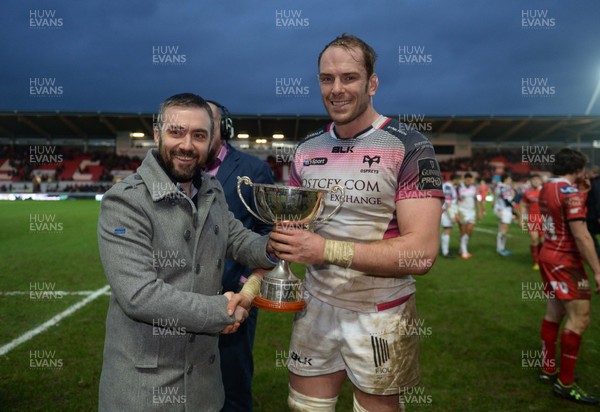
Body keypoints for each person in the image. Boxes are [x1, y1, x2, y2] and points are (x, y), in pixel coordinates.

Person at [235, 33, 443, 412]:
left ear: (372, 83)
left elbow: (422, 253)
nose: (336, 88)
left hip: (382, 313)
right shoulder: (307, 149)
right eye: (327, 78)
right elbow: (289, 239)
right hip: (315, 308)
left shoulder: (410, 146)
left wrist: (324, 249)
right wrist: (250, 290)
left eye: (349, 77)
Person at [97, 93, 276, 412]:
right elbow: (140, 295)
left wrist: (276, 246)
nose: (187, 145)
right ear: (157, 134)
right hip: (144, 393)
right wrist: (221, 310)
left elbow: (239, 241)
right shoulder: (125, 202)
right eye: (176, 132)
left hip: (205, 390)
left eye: (199, 135)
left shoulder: (212, 190)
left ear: (212, 141)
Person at [204, 100, 274, 412]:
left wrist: (248, 285)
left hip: (235, 294)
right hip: (180, 297)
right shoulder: (178, 168)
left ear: (225, 129)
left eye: (209, 122)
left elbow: (266, 232)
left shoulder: (253, 170)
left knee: (232, 383)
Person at [538, 148, 600, 405]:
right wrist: (597, 269)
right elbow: (582, 235)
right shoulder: (570, 193)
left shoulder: (546, 187)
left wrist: (581, 194)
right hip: (565, 261)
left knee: (554, 313)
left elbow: (560, 212)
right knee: (580, 319)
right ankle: (566, 384)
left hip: (548, 254)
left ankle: (548, 367)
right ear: (578, 169)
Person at [520, 174, 544, 270]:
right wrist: (522, 220)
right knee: (534, 239)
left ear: (541, 181)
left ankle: (542, 259)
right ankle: (536, 262)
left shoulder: (545, 192)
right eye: (534, 180)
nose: (536, 181)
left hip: (545, 219)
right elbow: (523, 206)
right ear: (531, 181)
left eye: (538, 180)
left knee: (543, 241)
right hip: (533, 219)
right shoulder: (527, 193)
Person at [457, 172, 481, 259]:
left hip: (471, 212)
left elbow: (477, 200)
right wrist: (456, 212)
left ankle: (462, 247)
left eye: (470, 179)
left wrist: (479, 212)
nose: (468, 181)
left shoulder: (474, 188)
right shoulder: (459, 187)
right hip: (462, 211)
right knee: (463, 231)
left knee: (470, 231)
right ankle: (464, 251)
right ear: (464, 179)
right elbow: (454, 199)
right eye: (467, 179)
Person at [494, 173, 516, 256]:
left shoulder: (503, 187)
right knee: (504, 230)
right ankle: (500, 249)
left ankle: (500, 248)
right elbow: (506, 200)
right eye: (510, 179)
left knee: (502, 229)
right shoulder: (502, 188)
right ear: (506, 179)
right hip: (504, 210)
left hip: (501, 209)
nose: (511, 181)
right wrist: (513, 196)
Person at [440, 173, 460, 258]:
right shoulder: (448, 187)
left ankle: (444, 250)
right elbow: (448, 203)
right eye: (459, 179)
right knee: (447, 230)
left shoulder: (448, 186)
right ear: (455, 179)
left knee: (447, 231)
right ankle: (445, 252)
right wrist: (452, 216)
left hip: (446, 211)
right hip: (447, 212)